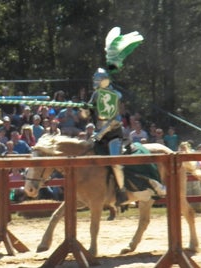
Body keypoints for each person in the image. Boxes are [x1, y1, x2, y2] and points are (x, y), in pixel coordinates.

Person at [87, 27, 164, 206]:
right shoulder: (97, 95)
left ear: (103, 81)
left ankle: (121, 192)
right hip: (98, 136)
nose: (95, 83)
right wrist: (84, 108)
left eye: (97, 81)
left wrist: (100, 133)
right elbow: (87, 114)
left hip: (113, 136)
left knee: (116, 163)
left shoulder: (113, 96)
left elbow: (113, 121)